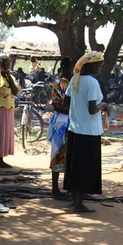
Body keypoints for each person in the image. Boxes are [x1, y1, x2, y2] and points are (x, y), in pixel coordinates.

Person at [62, 52, 109, 213]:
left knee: (75, 166)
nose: (100, 69)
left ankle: (74, 198)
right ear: (91, 65)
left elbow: (66, 101)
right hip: (89, 131)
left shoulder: (75, 79)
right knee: (85, 167)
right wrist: (103, 105)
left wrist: (76, 112)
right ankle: (79, 203)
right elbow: (92, 109)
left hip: (75, 129)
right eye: (98, 65)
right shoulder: (92, 83)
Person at [46, 57, 74, 200]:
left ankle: (69, 188)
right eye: (71, 68)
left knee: (70, 156)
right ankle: (55, 189)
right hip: (62, 123)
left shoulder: (72, 81)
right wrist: (73, 111)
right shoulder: (58, 83)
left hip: (72, 122)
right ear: (64, 67)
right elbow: (56, 105)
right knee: (58, 154)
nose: (73, 71)